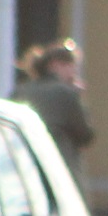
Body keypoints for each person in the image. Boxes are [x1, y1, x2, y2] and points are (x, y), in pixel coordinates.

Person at [18, 40, 95, 185]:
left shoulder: (20, 92)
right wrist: (79, 98)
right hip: (60, 175)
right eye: (70, 65)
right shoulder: (65, 94)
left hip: (25, 174)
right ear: (55, 65)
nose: (73, 72)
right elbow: (86, 136)